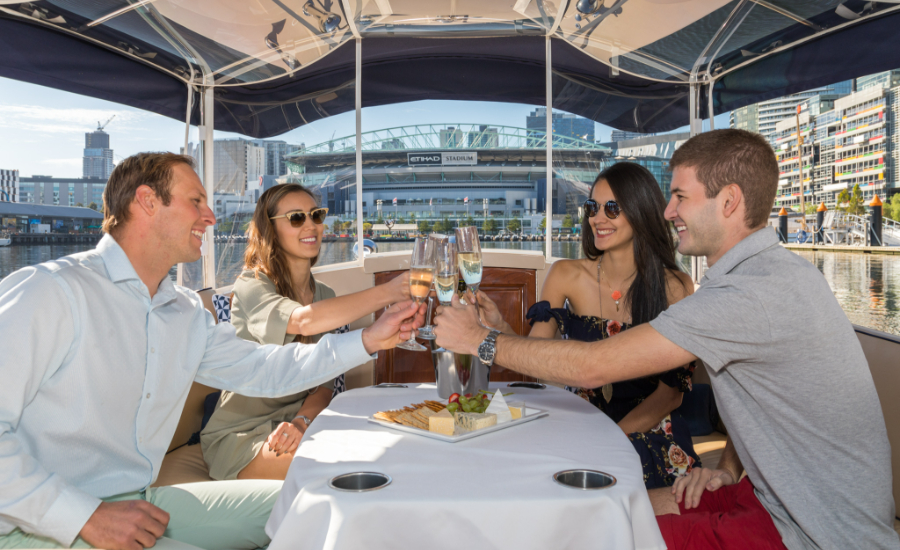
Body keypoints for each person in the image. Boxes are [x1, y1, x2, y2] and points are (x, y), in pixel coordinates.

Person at [434, 129, 899, 550]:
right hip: (770, 500)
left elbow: (594, 367)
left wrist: (481, 340)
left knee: (585, 531)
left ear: (729, 201)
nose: (668, 210)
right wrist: (728, 469)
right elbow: (763, 400)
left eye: (680, 196)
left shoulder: (746, 294)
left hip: (810, 534)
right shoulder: (775, 273)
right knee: (605, 506)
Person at [0, 153, 424, 550]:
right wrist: (86, 517)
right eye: (196, 200)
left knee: (328, 506)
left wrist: (369, 339)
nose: (211, 215)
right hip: (33, 519)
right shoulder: (51, 291)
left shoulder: (182, 311)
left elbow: (267, 369)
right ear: (147, 201)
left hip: (138, 498)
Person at [475, 162, 699, 489]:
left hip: (648, 427)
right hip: (576, 421)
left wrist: (609, 439)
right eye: (593, 207)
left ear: (640, 210)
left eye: (612, 208)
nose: (597, 218)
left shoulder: (676, 286)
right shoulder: (565, 274)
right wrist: (500, 330)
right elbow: (541, 361)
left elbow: (670, 396)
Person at [201, 183, 411, 481]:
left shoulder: (325, 294)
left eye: (316, 214)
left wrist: (301, 422)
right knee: (344, 470)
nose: (311, 225)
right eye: (297, 218)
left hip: (298, 425)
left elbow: (324, 385)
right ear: (270, 230)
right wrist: (389, 292)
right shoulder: (252, 284)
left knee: (388, 447)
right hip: (241, 434)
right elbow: (300, 321)